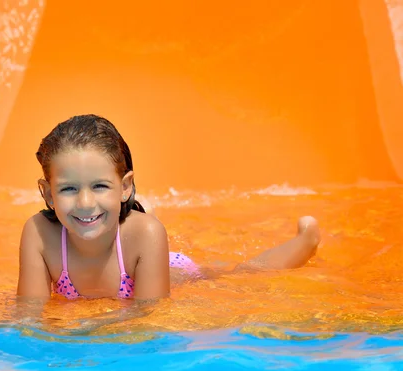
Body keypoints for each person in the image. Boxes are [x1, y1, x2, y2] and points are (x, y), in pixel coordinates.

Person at [16, 114, 321, 302]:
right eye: (69, 189)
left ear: (125, 187)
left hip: (166, 270)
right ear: (48, 193)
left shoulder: (146, 232)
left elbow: (146, 321)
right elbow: (29, 316)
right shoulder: (39, 235)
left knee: (239, 276)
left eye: (99, 186)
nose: (85, 203)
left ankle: (305, 240)